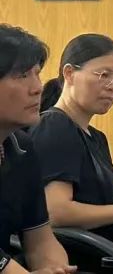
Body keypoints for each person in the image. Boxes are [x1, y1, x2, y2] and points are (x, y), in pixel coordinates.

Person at [29, 34, 113, 249]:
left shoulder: (96, 137)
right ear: (69, 73)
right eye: (104, 75)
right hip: (92, 253)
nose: (112, 87)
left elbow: (105, 204)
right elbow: (56, 212)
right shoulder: (55, 126)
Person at [0, 24, 76, 274]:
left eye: (37, 74)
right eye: (22, 76)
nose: (37, 88)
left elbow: (41, 240)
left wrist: (56, 268)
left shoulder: (20, 147)